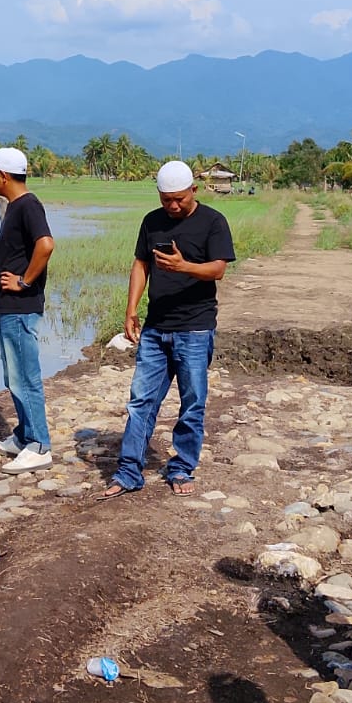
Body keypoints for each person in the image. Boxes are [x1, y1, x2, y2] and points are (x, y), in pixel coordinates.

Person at [103, 160, 236, 498]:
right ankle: (129, 471)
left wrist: (184, 266)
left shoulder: (213, 222)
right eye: (167, 200)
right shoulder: (152, 221)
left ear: (194, 190)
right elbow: (140, 264)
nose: (174, 206)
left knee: (192, 403)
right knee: (141, 401)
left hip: (194, 329)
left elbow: (218, 269)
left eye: (180, 199)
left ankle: (181, 467)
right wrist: (131, 309)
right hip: (155, 328)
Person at [0, 147, 57, 474]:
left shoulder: (28, 206)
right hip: (8, 306)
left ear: (5, 176)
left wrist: (24, 282)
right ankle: (24, 435)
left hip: (20, 306)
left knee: (26, 375)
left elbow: (46, 245)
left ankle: (39, 445)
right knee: (14, 375)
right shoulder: (14, 206)